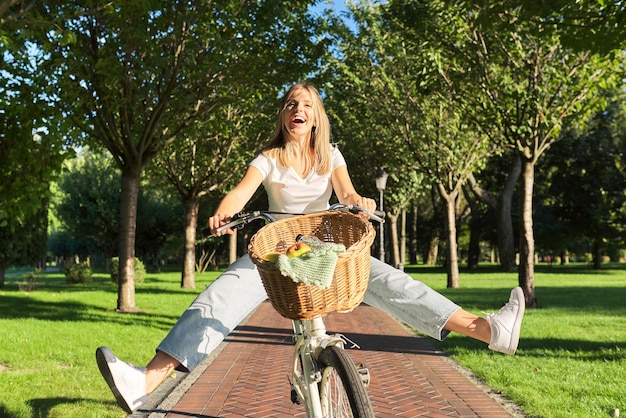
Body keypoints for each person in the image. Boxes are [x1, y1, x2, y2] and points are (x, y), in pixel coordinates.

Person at [96, 82, 525, 414]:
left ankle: (489, 330)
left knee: (394, 283)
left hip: (328, 249)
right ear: (283, 116)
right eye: (290, 105)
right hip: (277, 251)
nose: (297, 110)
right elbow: (239, 195)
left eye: (305, 105)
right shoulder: (268, 157)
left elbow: (350, 194)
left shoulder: (330, 156)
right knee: (217, 299)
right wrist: (221, 214)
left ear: (316, 117)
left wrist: (362, 204)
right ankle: (144, 383)